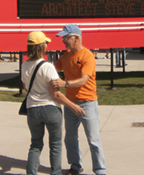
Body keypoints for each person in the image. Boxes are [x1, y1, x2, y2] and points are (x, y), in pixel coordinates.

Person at [22, 31, 85, 175]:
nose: (47, 45)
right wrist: (73, 106)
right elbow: (56, 94)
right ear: (41, 47)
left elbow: (26, 87)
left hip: (32, 109)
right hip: (50, 109)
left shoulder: (24, 65)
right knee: (55, 145)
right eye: (46, 43)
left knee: (35, 145)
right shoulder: (47, 67)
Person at [51, 24, 106, 175]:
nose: (63, 41)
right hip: (69, 104)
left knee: (93, 139)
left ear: (76, 38)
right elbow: (53, 68)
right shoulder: (66, 56)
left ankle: (100, 170)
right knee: (70, 138)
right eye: (63, 38)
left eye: (65, 38)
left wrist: (65, 83)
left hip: (87, 103)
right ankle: (75, 166)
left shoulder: (87, 55)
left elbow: (83, 80)